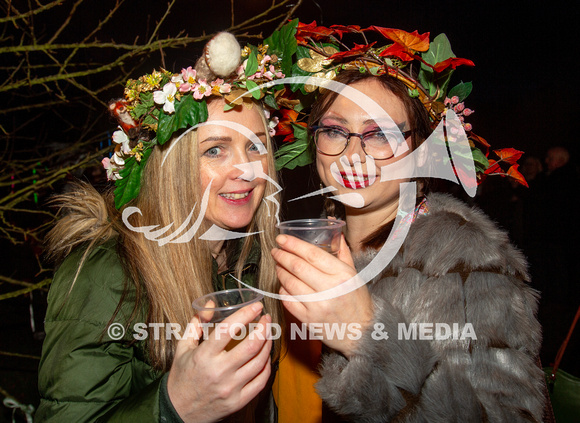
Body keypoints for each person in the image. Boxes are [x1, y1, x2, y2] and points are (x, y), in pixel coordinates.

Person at [272, 24, 546, 422]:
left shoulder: (460, 255)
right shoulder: (312, 242)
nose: (353, 153)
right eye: (334, 130)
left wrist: (369, 333)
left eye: (380, 134)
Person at [37, 32, 289, 422]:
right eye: (215, 150)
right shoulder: (108, 274)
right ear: (171, 169)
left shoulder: (253, 259)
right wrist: (174, 406)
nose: (247, 171)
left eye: (255, 146)